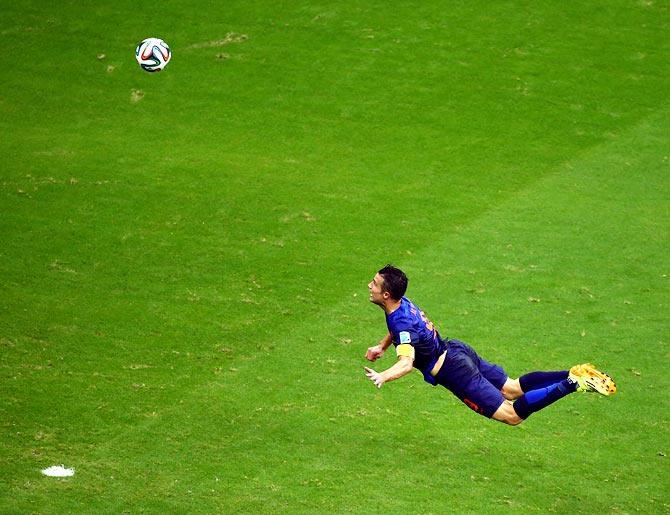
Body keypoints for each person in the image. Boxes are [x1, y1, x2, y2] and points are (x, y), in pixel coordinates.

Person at [363, 264, 616, 425]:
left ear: (387, 295)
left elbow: (406, 363)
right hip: (457, 350)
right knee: (512, 388)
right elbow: (401, 330)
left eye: (374, 283)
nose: (369, 286)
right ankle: (575, 372)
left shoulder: (399, 322)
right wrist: (382, 346)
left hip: (454, 371)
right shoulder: (401, 303)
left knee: (512, 415)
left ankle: (572, 383)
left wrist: (383, 376)